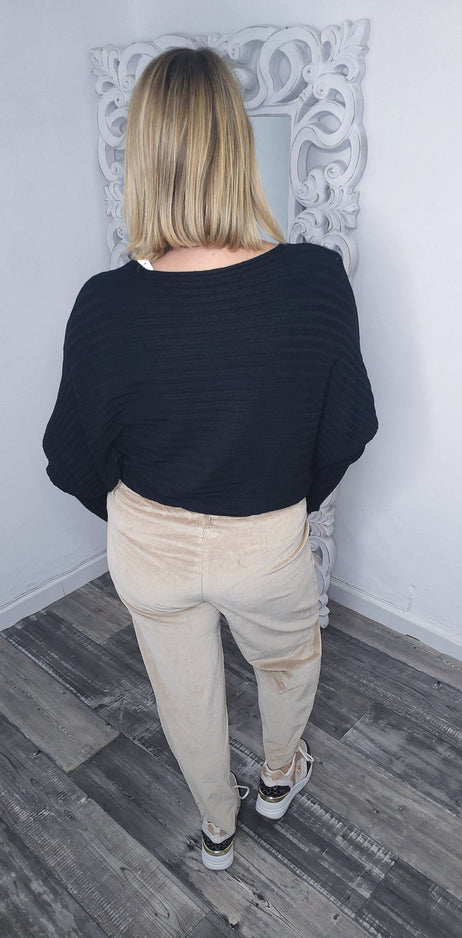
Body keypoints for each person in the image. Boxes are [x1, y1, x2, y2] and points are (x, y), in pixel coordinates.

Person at [42, 46, 378, 871]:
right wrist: (285, 501)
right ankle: (279, 777)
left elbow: (72, 457)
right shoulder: (314, 281)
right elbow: (347, 429)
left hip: (145, 543)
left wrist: (146, 513)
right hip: (264, 539)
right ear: (235, 142)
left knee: (183, 694)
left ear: (143, 156)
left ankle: (218, 829)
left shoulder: (103, 302)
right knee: (287, 662)